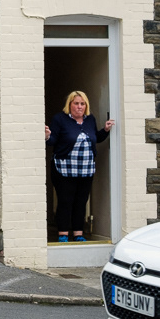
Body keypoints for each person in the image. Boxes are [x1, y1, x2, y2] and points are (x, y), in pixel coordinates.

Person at [44, 91, 114, 242]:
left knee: (81, 202)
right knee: (65, 201)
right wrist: (47, 135)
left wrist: (105, 130)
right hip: (64, 169)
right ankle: (63, 234)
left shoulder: (90, 119)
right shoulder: (60, 119)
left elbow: (95, 138)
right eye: (76, 103)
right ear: (69, 105)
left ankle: (78, 234)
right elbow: (53, 141)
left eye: (82, 104)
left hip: (85, 169)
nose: (79, 107)